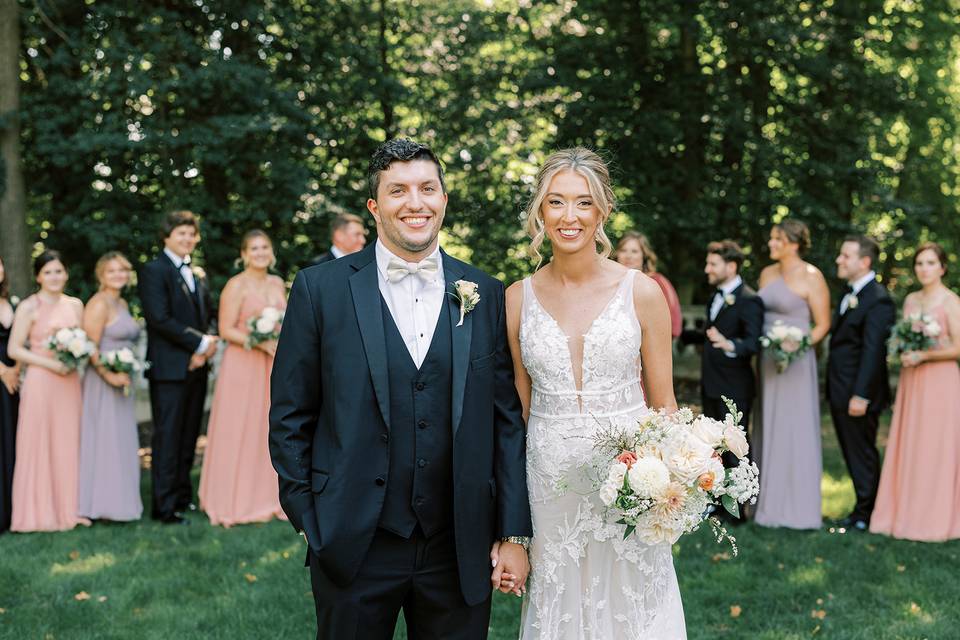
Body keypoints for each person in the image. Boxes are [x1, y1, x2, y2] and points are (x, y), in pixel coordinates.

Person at [269, 138, 531, 639]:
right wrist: (308, 516)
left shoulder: (486, 292)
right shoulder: (318, 290)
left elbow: (506, 421)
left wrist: (513, 531)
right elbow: (289, 414)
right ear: (374, 207)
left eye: (427, 188)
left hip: (458, 544)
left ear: (444, 200)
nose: (415, 203)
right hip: (353, 540)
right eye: (398, 191)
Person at [508, 148, 686, 638]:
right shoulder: (515, 299)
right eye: (556, 202)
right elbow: (517, 414)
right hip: (549, 483)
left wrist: (671, 483)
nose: (570, 217)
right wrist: (511, 523)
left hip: (630, 480)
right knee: (559, 608)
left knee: (634, 606)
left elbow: (664, 404)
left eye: (583, 203)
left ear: (603, 210)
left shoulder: (642, 291)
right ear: (540, 212)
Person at [871, 242, 960, 541]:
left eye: (930, 263)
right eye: (920, 263)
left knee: (937, 447)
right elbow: (903, 337)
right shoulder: (910, 300)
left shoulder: (950, 302)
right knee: (912, 443)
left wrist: (925, 356)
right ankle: (903, 513)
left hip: (941, 382)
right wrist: (904, 351)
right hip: (913, 381)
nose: (924, 268)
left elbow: (958, 348)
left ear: (942, 268)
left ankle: (937, 519)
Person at [199, 230, 287, 527]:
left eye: (265, 247)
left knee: (267, 426)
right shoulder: (236, 285)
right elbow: (225, 329)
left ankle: (268, 496)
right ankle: (231, 500)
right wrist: (259, 341)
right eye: (254, 248)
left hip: (272, 364)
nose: (260, 253)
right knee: (239, 428)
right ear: (244, 254)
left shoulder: (277, 283)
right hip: (243, 364)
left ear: (272, 252)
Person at [139, 211, 218, 525]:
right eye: (181, 233)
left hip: (197, 367)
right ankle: (164, 506)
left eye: (191, 234)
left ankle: (183, 497)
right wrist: (199, 344)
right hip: (169, 370)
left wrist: (208, 344)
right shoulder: (153, 270)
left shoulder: (198, 273)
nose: (187, 239)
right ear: (167, 236)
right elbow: (158, 318)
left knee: (188, 436)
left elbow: (209, 313)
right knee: (168, 437)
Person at [754, 220, 831, 530]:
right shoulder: (766, 274)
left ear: (794, 243)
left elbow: (823, 324)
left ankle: (799, 509)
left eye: (778, 239)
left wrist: (796, 346)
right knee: (768, 424)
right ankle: (765, 505)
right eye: (772, 238)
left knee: (794, 427)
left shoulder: (813, 277)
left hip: (797, 363)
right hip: (768, 361)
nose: (771, 243)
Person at [7, 250, 90, 532]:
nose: (54, 277)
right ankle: (37, 511)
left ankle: (70, 507)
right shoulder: (29, 307)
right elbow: (14, 348)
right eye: (48, 272)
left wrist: (75, 358)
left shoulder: (76, 305)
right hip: (42, 381)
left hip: (69, 383)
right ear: (38, 276)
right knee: (39, 443)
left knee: (68, 442)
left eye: (59, 271)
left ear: (66, 273)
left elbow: (83, 341)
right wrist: (50, 365)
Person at [692, 240, 764, 523]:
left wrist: (729, 343)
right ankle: (717, 504)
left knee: (736, 450)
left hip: (735, 386)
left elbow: (754, 342)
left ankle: (739, 509)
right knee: (713, 449)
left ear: (731, 266)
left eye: (713, 264)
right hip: (711, 383)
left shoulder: (750, 299)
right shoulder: (715, 296)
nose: (707, 268)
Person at [827, 235, 896, 532]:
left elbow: (873, 352)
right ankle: (861, 509)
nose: (839, 260)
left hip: (857, 392)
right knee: (853, 451)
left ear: (864, 261)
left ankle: (867, 514)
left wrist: (861, 395)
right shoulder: (851, 293)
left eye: (846, 255)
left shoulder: (878, 299)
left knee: (863, 452)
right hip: (841, 388)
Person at [78, 252, 143, 522]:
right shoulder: (98, 304)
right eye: (112, 271)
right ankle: (100, 505)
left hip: (122, 380)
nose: (118, 275)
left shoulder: (123, 303)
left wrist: (124, 371)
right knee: (103, 440)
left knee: (121, 441)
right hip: (102, 383)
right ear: (101, 275)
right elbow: (89, 347)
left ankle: (121, 503)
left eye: (123, 270)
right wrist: (110, 375)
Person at [616, 230, 683, 337]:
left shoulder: (657, 281)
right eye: (623, 250)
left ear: (644, 255)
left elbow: (674, 325)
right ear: (617, 254)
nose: (628, 256)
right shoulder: (610, 282)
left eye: (634, 251)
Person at [0, 254, 20, 534]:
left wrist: (15, 370)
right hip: (1, 375)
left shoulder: (14, 303)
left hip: (14, 381)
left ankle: (14, 511)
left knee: (12, 440)